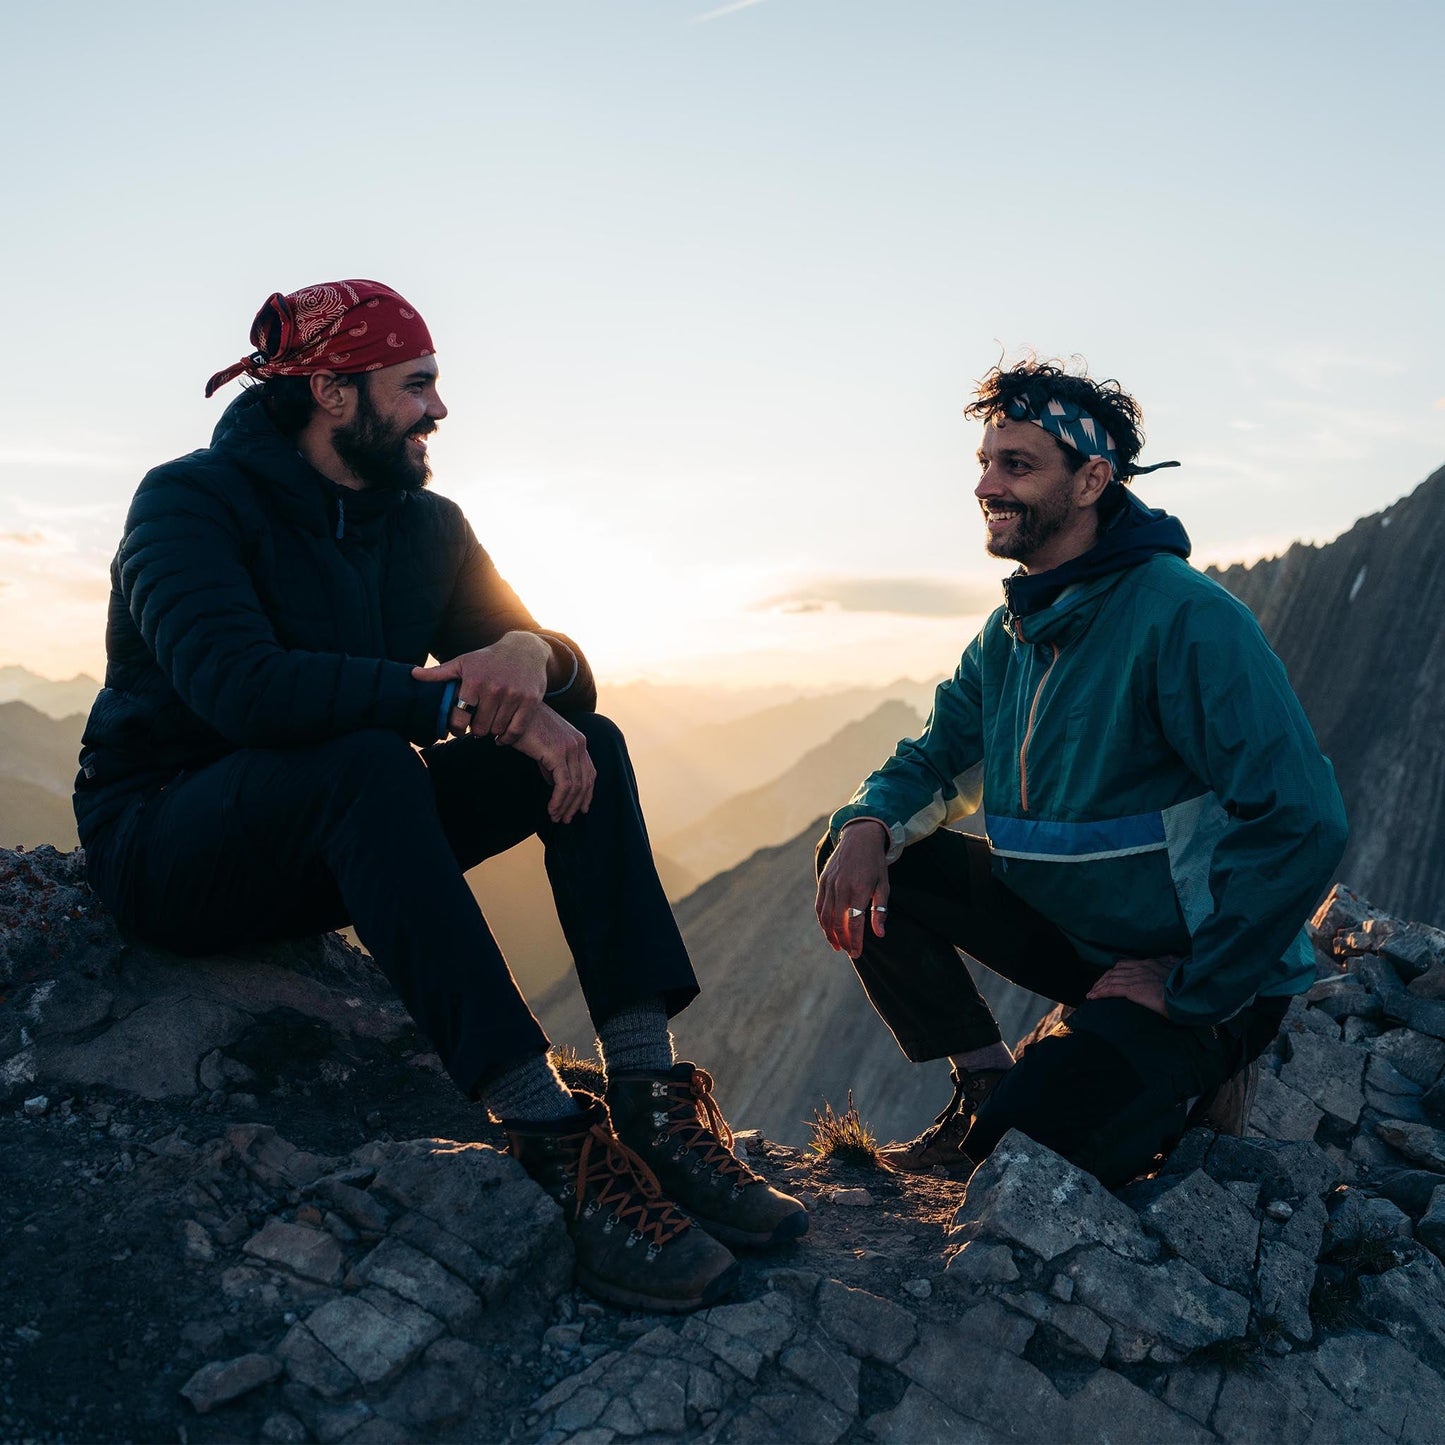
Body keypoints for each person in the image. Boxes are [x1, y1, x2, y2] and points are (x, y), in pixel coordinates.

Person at [74, 279, 804, 1312]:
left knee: (582, 741)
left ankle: (646, 1099)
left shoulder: (425, 525)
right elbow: (237, 686)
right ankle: (548, 1137)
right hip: (167, 838)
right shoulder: (188, 502)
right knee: (371, 761)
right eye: (415, 384)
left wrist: (525, 653)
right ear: (333, 391)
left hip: (332, 838)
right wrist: (472, 692)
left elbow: (558, 674)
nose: (439, 410)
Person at [814, 357, 1348, 1188]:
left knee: (1017, 1162)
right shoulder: (1010, 633)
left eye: (1016, 465)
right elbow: (930, 760)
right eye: (985, 463)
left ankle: (1196, 1065)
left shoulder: (1187, 619)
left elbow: (1304, 820)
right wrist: (865, 823)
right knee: (861, 853)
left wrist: (1196, 984)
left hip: (1189, 966)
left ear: (1092, 478)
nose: (986, 484)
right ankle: (984, 1076)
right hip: (1075, 937)